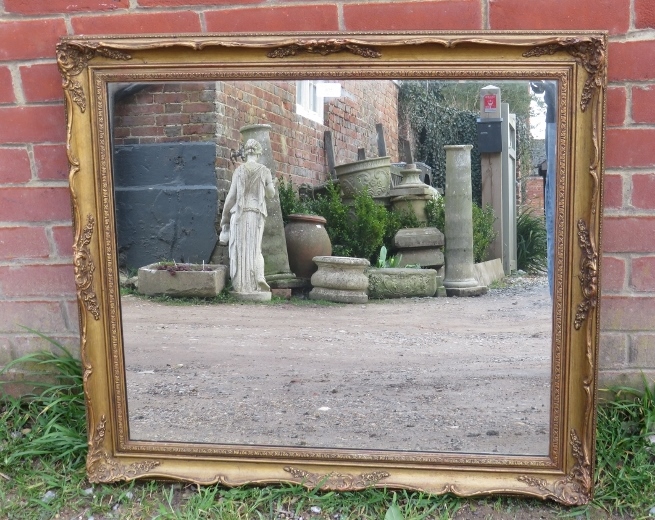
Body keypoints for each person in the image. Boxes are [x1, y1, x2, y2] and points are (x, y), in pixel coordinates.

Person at [219, 138, 275, 299]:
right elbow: (271, 194)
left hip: (240, 213)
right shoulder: (264, 171)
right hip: (257, 213)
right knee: (256, 248)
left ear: (245, 153)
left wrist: (224, 218)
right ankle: (258, 280)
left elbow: (231, 197)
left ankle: (240, 286)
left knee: (239, 249)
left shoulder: (239, 171)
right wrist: (270, 185)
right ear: (258, 153)